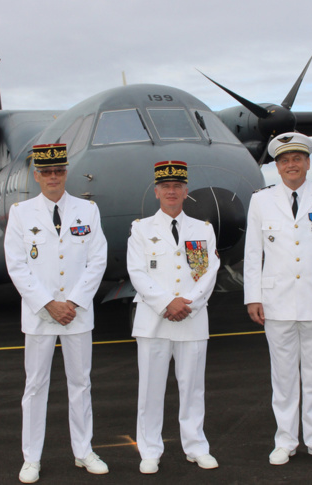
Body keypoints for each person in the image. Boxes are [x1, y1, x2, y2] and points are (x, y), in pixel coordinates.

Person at [243, 132, 312, 466]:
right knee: (284, 377)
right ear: (277, 166)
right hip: (276, 302)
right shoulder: (261, 201)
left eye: (297, 159)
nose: (291, 165)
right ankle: (285, 441)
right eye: (284, 160)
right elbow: (252, 253)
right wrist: (252, 297)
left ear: (307, 162)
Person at [4, 143, 109, 483]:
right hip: (39, 315)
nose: (53, 177)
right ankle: (31, 458)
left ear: (66, 173)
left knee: (81, 384)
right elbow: (17, 266)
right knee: (35, 386)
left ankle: (83, 451)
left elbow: (97, 261)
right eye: (46, 172)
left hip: (77, 314)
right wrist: (49, 303)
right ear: (36, 176)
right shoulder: (21, 213)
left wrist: (74, 302)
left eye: (59, 171)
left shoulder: (87, 210)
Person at [126, 160, 221, 474]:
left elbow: (207, 272)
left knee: (193, 388)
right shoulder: (141, 229)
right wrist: (168, 302)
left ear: (185, 191)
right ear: (156, 191)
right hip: (154, 320)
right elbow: (137, 273)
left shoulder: (202, 229)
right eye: (165, 187)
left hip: (191, 319)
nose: (171, 191)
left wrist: (188, 303)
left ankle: (195, 446)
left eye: (177, 186)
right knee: (150, 390)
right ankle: (150, 450)